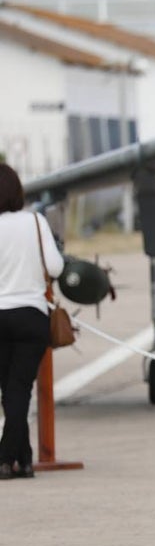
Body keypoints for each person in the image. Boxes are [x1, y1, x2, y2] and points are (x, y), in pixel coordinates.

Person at [0, 161, 64, 480]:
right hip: (30, 315)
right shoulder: (35, 222)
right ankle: (13, 458)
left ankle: (17, 458)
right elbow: (54, 268)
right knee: (19, 388)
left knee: (8, 390)